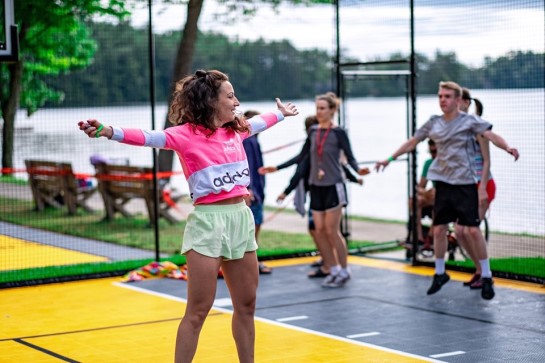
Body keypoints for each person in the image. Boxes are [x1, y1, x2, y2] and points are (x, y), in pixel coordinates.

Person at [78, 69, 299, 363]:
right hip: (207, 223)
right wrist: (107, 130)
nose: (237, 102)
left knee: (246, 305)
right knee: (198, 310)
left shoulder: (237, 129)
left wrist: (281, 114)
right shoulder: (184, 136)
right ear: (210, 101)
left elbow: (261, 122)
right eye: (230, 96)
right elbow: (146, 137)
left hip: (240, 219)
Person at [375, 81, 519, 300]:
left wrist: (508, 147)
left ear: (457, 100)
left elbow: (491, 136)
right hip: (443, 183)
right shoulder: (434, 123)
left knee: (471, 230)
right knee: (439, 228)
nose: (443, 100)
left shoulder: (470, 121)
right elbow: (413, 142)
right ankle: (440, 272)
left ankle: (486, 275)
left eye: (447, 96)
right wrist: (389, 158)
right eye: (440, 96)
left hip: (465, 184)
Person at [265, 93, 369, 288]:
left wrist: (358, 170)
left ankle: (344, 270)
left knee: (332, 231)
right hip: (316, 186)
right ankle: (333, 268)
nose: (319, 112)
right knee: (318, 230)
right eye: (317, 108)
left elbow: (350, 157)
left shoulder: (339, 133)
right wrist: (277, 168)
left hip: (334, 185)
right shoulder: (313, 132)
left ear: (332, 110)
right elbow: (301, 157)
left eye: (323, 108)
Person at [455, 87, 496, 289]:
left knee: (471, 230)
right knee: (459, 231)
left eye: (457, 100)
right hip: (466, 186)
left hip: (483, 184)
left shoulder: (478, 128)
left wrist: (481, 188)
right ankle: (478, 269)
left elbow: (487, 161)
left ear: (465, 103)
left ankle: (486, 274)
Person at [242, 110, 272, 275]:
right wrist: (249, 190)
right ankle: (252, 264)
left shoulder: (252, 141)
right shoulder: (249, 141)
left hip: (257, 190)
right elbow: (247, 167)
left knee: (254, 228)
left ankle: (253, 262)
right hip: (253, 193)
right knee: (251, 229)